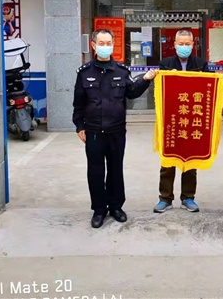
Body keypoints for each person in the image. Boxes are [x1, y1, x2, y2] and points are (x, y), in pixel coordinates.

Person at [73, 29, 158, 228]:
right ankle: (99, 209)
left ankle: (116, 207)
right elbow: (79, 103)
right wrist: (79, 126)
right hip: (93, 131)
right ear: (93, 46)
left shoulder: (121, 71)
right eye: (101, 43)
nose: (105, 47)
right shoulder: (84, 73)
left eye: (108, 43)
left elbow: (132, 92)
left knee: (115, 170)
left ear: (113, 44)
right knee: (95, 171)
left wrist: (145, 79)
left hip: (116, 131)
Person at [153, 29, 209, 213]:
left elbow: (208, 87)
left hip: (192, 118)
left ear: (193, 45)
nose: (184, 46)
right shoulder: (166, 63)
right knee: (168, 159)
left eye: (187, 44)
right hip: (171, 118)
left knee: (190, 160)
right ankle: (165, 198)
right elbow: (160, 89)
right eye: (181, 43)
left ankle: (188, 197)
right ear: (175, 44)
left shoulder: (201, 64)